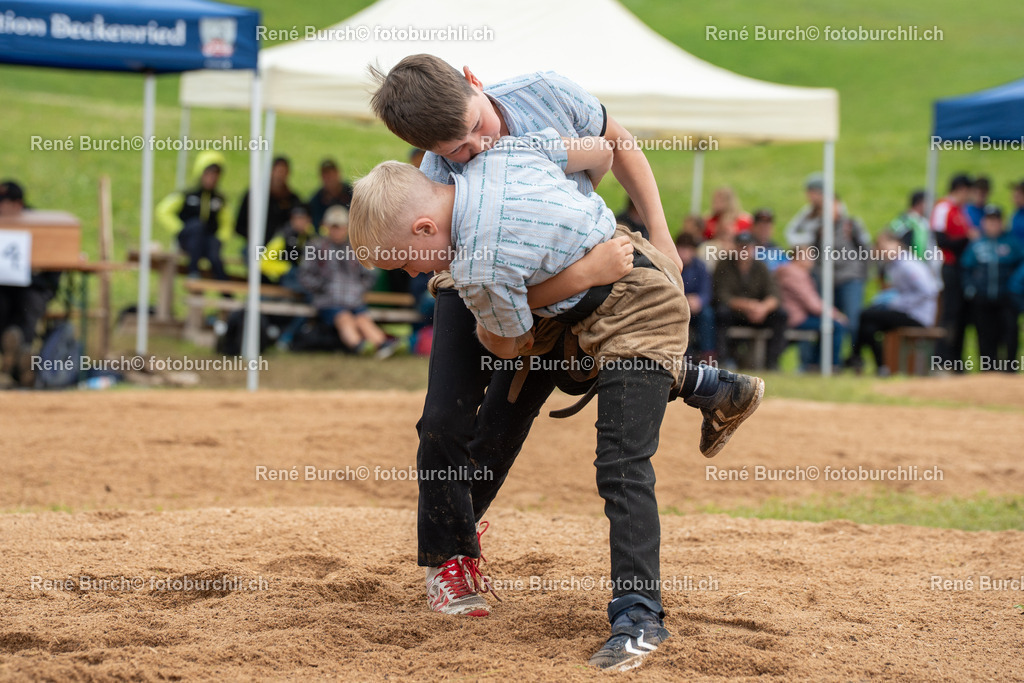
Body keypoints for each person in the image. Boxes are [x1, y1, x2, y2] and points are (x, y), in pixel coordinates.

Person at [368, 54, 761, 632]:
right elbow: (490, 307)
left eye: (476, 127)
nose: (475, 148)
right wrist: (567, 274)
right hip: (477, 277)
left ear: (475, 81)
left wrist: (659, 239)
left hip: (568, 264)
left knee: (542, 391)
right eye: (454, 151)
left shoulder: (544, 93)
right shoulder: (440, 169)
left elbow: (615, 146)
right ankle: (452, 557)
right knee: (447, 419)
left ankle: (705, 383)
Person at [298, 206, 398, 358]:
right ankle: (359, 347)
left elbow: (370, 273)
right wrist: (321, 286)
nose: (337, 231)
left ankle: (383, 344)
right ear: (326, 226)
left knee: (363, 319)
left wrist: (360, 288)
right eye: (334, 227)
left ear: (347, 227)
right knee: (344, 318)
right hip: (329, 301)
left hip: (354, 300)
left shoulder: (356, 248)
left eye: (341, 227)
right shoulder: (317, 247)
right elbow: (305, 275)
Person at [848, 231, 939, 375]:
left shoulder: (908, 265)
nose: (882, 250)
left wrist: (898, 302)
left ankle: (856, 356)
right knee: (869, 327)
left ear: (896, 244)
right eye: (880, 247)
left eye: (884, 246)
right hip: (905, 311)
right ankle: (881, 367)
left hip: (917, 315)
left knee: (865, 314)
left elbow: (929, 290)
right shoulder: (893, 266)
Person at [0, 180, 61, 388]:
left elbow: (55, 267)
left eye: (4, 203)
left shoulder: (39, 225)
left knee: (31, 303)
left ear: (17, 204)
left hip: (34, 286)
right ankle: (9, 359)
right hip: (5, 288)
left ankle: (21, 354)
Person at [960, 205, 1024, 371]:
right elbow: (966, 268)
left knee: (1010, 333)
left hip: (1007, 297)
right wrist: (970, 289)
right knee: (985, 336)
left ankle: (1009, 370)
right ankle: (988, 371)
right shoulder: (977, 245)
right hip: (983, 298)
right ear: (984, 222)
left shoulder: (1013, 243)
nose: (993, 224)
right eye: (989, 221)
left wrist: (1015, 286)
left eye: (996, 221)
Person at [713, 232, 788, 370]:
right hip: (735, 313)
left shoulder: (760, 266)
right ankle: (723, 359)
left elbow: (774, 294)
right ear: (734, 247)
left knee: (781, 315)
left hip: (758, 314)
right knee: (720, 313)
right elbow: (722, 296)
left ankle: (772, 362)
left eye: (747, 247)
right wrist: (748, 306)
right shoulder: (724, 265)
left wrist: (763, 308)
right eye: (741, 247)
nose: (744, 251)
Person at [155, 151, 231, 279]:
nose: (212, 178)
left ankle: (227, 293)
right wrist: (179, 229)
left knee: (215, 257)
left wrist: (220, 239)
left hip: (207, 242)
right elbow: (163, 210)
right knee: (197, 226)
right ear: (201, 173)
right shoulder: (188, 195)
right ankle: (193, 273)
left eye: (215, 175)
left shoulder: (219, 200)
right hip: (188, 240)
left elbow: (227, 222)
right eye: (209, 174)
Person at [775, 246, 846, 370]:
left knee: (829, 325)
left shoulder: (793, 272)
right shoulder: (794, 273)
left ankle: (816, 364)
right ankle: (829, 365)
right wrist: (835, 314)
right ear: (798, 257)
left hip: (796, 316)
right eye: (809, 256)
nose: (811, 260)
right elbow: (812, 303)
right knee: (835, 326)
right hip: (795, 318)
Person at [930, 173, 973, 368]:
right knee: (948, 313)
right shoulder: (944, 208)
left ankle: (955, 360)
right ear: (961, 189)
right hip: (947, 266)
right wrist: (967, 239)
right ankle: (942, 359)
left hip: (959, 268)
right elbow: (941, 240)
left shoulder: (959, 210)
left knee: (959, 314)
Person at [235, 155, 302, 247]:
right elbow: (239, 226)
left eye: (283, 172)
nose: (280, 176)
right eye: (278, 171)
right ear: (271, 172)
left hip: (282, 247)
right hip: (257, 245)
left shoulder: (292, 199)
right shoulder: (255, 195)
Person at [259, 204, 318, 288]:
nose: (299, 222)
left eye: (302, 218)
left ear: (309, 220)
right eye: (296, 218)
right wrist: (287, 268)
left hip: (304, 275)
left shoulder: (311, 236)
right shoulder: (283, 237)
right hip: (285, 278)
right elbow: (264, 263)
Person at [676, 233, 714, 362]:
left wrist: (699, 301)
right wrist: (683, 300)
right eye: (681, 248)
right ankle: (683, 354)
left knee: (707, 314)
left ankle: (707, 353)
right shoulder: (672, 265)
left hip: (696, 308)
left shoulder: (700, 267)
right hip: (677, 306)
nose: (684, 253)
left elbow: (706, 292)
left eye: (688, 249)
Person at [307, 158, 353, 229]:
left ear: (338, 174)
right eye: (326, 176)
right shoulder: (316, 201)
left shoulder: (351, 193)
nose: (329, 178)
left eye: (332, 174)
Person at [785, 172, 825, 247]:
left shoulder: (835, 211)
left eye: (812, 192)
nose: (808, 196)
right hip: (811, 251)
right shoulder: (808, 210)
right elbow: (790, 231)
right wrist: (808, 239)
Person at [748, 208, 788, 272]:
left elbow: (787, 267)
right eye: (761, 226)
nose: (764, 230)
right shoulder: (745, 247)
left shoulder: (777, 249)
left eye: (767, 227)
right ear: (753, 227)